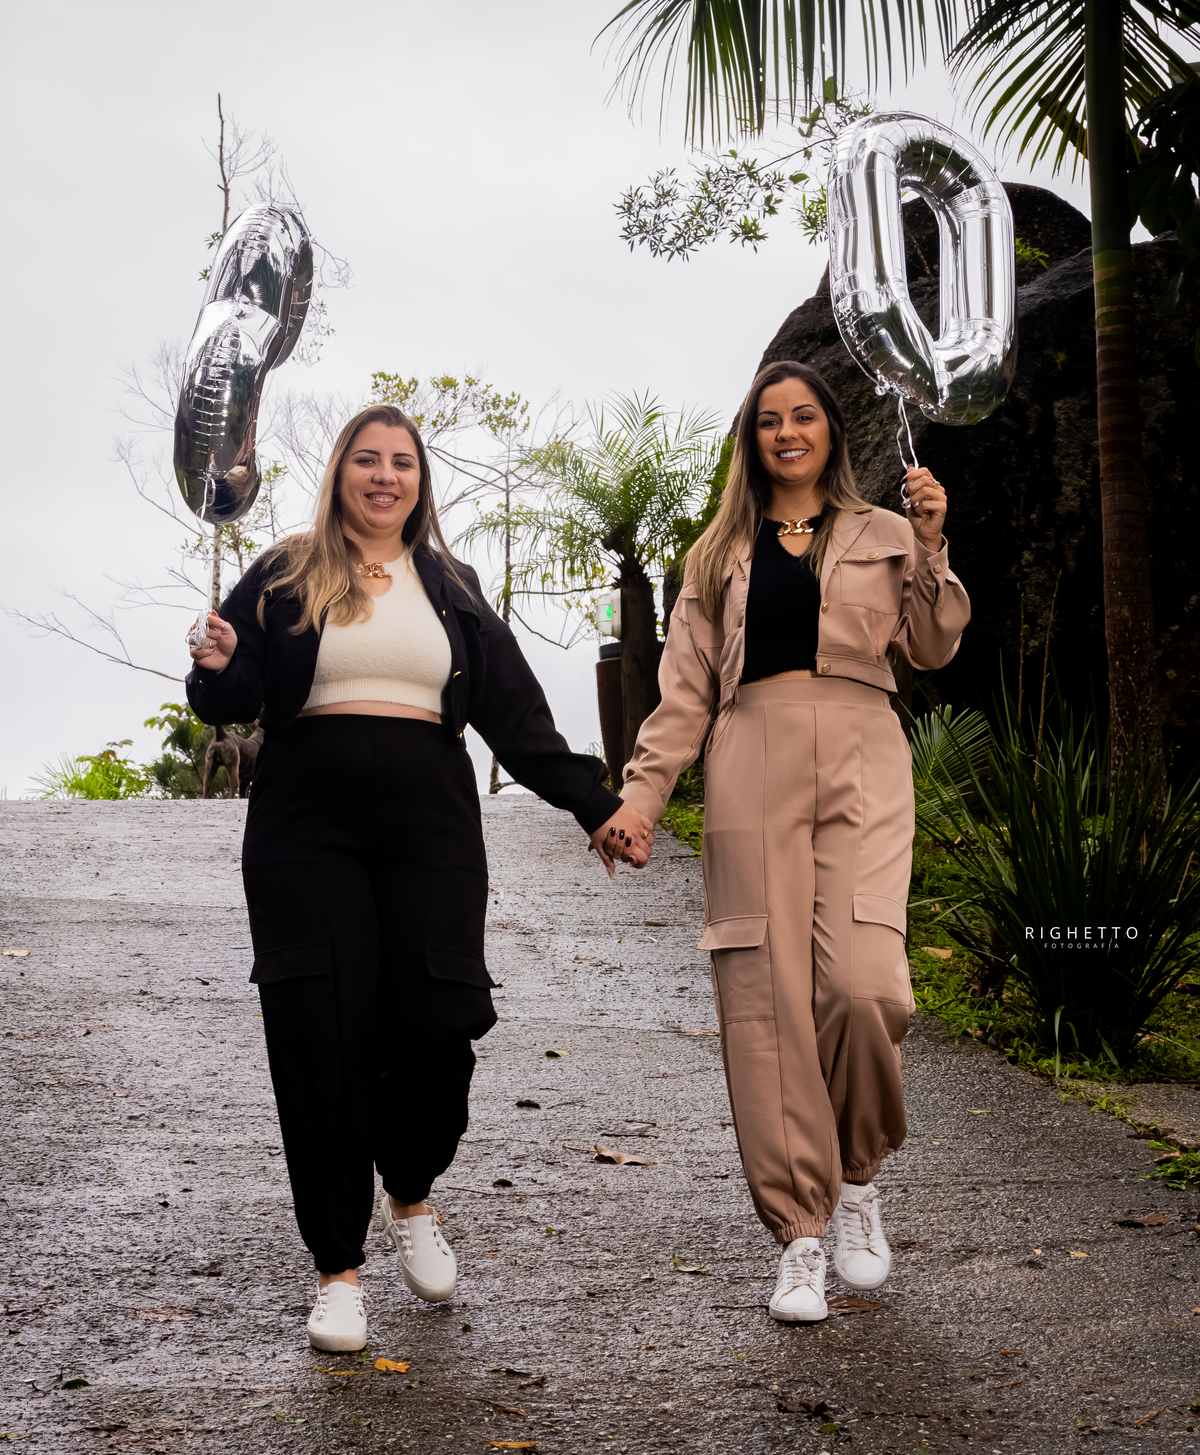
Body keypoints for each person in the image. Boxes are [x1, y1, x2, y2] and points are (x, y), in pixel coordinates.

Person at [185, 404, 653, 1351]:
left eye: (401, 461)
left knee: (440, 1022)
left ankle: (409, 1189)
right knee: (321, 1033)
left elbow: (516, 715)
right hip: (304, 827)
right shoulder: (283, 572)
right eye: (367, 459)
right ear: (340, 473)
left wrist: (595, 804)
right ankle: (337, 1269)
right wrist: (219, 664)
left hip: (429, 825)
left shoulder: (452, 585)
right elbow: (229, 690)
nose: (384, 475)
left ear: (419, 480)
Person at [620, 361, 970, 1321]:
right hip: (751, 758)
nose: (787, 432)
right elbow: (683, 694)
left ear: (831, 430)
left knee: (866, 984)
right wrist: (642, 799)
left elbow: (934, 643)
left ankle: (857, 1178)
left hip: (864, 753)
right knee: (764, 998)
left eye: (803, 415)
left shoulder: (887, 532)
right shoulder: (716, 554)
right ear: (752, 438)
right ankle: (802, 1236)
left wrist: (931, 541)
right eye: (769, 419)